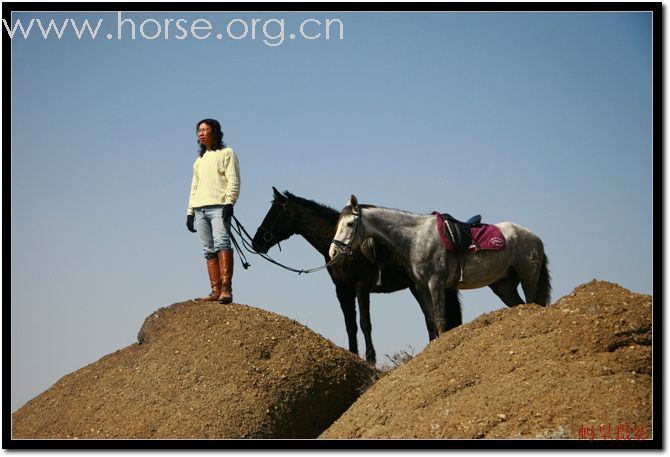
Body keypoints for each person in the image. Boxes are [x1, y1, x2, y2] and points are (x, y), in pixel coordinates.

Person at [186, 119, 240, 304]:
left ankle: (226, 289)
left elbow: (233, 180)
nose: (200, 133)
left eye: (205, 130)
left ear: (214, 132)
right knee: (208, 249)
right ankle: (215, 290)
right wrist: (190, 212)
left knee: (222, 243)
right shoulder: (199, 161)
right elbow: (194, 187)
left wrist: (229, 203)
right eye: (198, 130)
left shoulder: (227, 153)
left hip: (219, 206)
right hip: (200, 209)